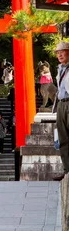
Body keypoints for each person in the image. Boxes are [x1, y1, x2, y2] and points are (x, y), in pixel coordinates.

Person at [54, 41, 69, 179]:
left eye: (62, 51)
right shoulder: (60, 68)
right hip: (61, 104)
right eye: (58, 52)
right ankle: (67, 170)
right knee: (63, 138)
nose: (59, 54)